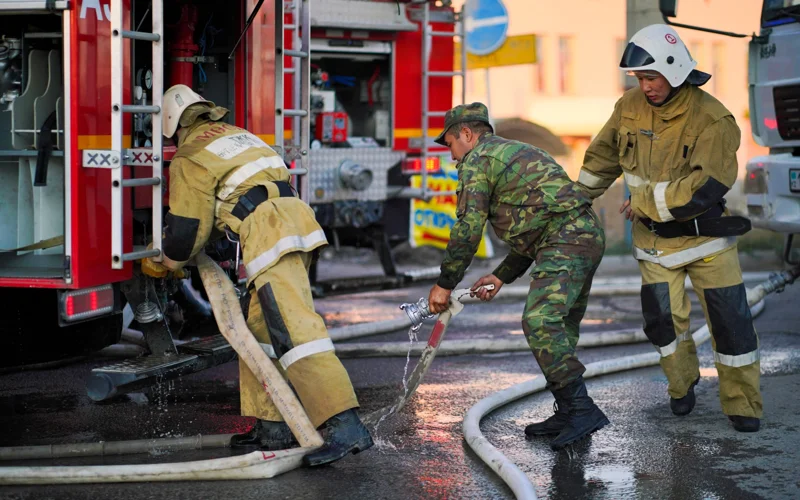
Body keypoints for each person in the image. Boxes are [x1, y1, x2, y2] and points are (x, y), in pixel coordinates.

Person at [140, 84, 373, 465]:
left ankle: (345, 427)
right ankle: (273, 427)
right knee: (261, 333)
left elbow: (187, 230)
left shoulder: (191, 155)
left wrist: (168, 261)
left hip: (269, 233)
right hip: (293, 220)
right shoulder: (236, 136)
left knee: (295, 332)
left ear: (170, 125)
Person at [576, 24, 761, 432]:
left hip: (707, 243)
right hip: (654, 245)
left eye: (650, 77)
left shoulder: (713, 119)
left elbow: (707, 185)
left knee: (731, 326)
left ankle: (743, 405)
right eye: (640, 79)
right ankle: (681, 386)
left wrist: (641, 202)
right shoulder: (629, 106)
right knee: (662, 324)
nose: (645, 87)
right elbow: (602, 157)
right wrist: (575, 199)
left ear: (675, 70)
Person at [426, 102, 609, 450]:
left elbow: (468, 227)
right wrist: (500, 275)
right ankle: (569, 411)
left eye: (450, 144)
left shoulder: (478, 160)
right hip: (581, 235)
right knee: (559, 326)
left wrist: (445, 283)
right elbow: (538, 221)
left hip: (566, 239)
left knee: (540, 321)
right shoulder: (514, 152)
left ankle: (581, 409)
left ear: (467, 134)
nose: (451, 155)